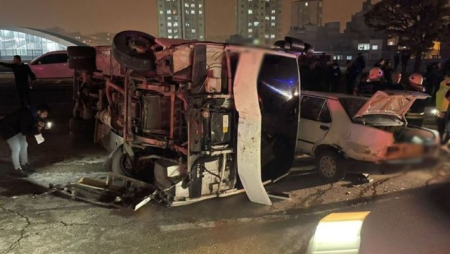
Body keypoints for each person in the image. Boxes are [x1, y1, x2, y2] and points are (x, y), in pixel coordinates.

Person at [0, 104, 50, 177]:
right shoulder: (26, 114)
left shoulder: (33, 113)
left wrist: (37, 124)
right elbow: (25, 131)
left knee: (24, 144)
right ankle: (17, 168)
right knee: (16, 147)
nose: (45, 116)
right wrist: (36, 127)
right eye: (44, 114)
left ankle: (25, 164)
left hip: (17, 128)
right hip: (7, 129)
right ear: (39, 112)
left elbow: (30, 124)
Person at [435, 73, 450, 142]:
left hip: (443, 110)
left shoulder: (443, 86)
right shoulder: (443, 85)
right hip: (443, 110)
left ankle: (442, 141)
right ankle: (443, 141)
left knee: (442, 127)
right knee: (444, 127)